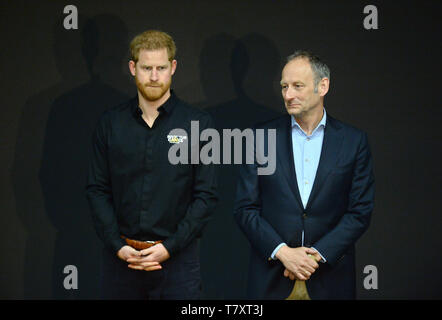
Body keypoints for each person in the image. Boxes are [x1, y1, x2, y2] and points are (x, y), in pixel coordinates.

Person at [85, 30, 217, 299]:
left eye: (161, 68)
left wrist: (169, 247)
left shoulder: (199, 125)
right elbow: (97, 189)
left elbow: (206, 195)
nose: (154, 77)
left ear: (173, 68)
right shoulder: (110, 124)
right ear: (133, 68)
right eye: (147, 68)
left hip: (178, 264)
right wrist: (117, 246)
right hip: (120, 261)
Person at [234, 50, 375, 300]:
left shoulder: (354, 141)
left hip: (331, 280)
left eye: (297, 86)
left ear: (323, 86)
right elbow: (245, 208)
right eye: (284, 86)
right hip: (270, 278)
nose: (288, 95)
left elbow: (360, 211)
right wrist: (284, 253)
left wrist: (317, 255)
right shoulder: (259, 138)